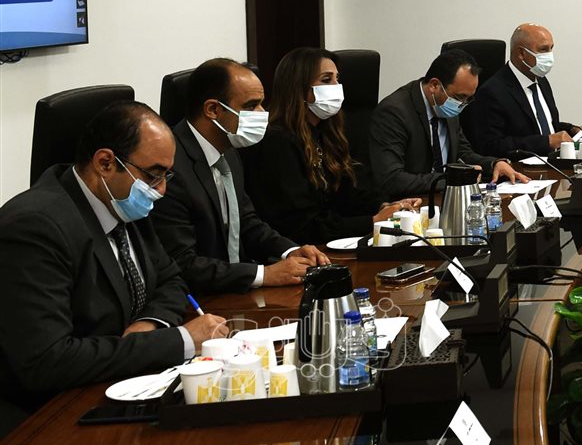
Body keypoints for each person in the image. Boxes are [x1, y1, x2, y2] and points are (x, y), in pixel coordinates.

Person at [0, 101, 228, 424]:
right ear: (105, 163)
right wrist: (178, 341)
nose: (161, 190)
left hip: (120, 387)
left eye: (166, 175)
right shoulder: (35, 227)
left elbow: (171, 279)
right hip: (49, 416)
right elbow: (47, 361)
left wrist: (151, 323)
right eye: (154, 175)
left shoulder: (123, 201)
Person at [151, 58, 330, 294]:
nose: (262, 113)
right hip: (200, 300)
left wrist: (289, 251)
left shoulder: (229, 150)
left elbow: (246, 222)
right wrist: (264, 274)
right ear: (213, 110)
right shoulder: (170, 168)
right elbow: (182, 264)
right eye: (251, 106)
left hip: (236, 290)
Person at [242, 48, 421, 244]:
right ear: (298, 87)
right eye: (326, 80)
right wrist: (372, 221)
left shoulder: (325, 133)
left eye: (337, 79)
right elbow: (300, 223)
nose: (336, 87)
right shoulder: (276, 142)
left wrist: (386, 207)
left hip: (328, 242)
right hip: (298, 249)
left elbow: (345, 195)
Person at [370, 49, 527, 199]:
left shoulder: (447, 105)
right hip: (408, 204)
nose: (462, 104)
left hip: (445, 197)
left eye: (468, 99)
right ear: (434, 85)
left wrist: (493, 164)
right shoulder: (394, 112)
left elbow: (462, 153)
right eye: (459, 97)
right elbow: (391, 178)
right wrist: (450, 179)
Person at [462, 24, 582, 157]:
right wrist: (546, 142)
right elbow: (491, 145)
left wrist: (571, 129)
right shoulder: (492, 92)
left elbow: (540, 125)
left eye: (551, 48)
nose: (549, 55)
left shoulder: (541, 80)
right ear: (521, 53)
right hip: (519, 167)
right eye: (543, 49)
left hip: (554, 162)